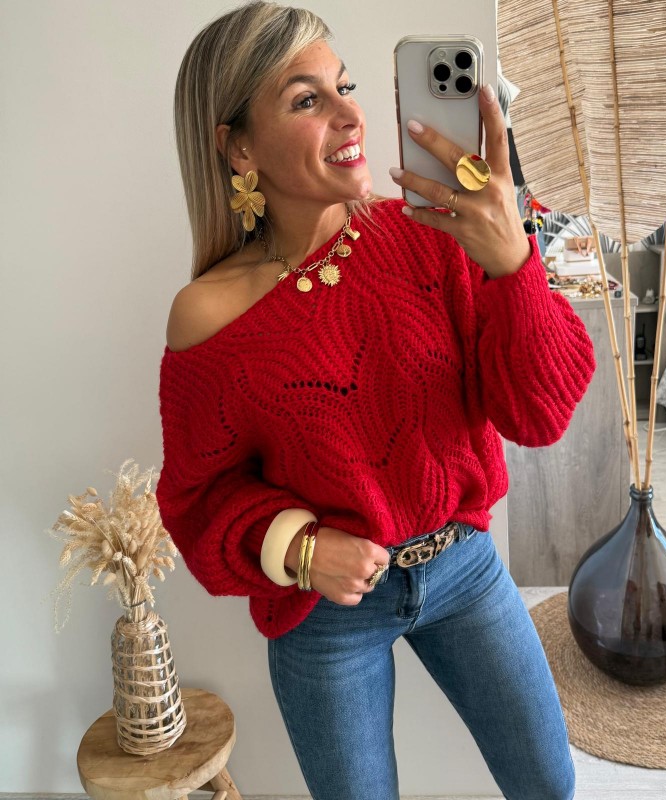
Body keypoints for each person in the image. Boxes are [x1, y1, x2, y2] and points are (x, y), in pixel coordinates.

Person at [157, 3, 596, 799]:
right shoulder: (210, 315)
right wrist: (297, 547)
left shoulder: (432, 236)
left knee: (550, 784)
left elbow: (539, 415)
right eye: (307, 99)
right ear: (238, 147)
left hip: (464, 568)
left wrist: (513, 264)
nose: (351, 114)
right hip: (327, 615)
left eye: (346, 87)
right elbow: (197, 498)